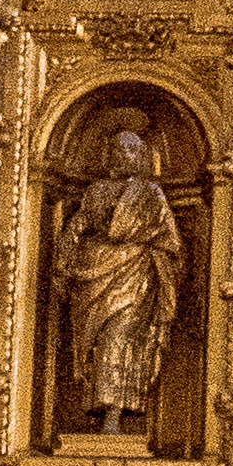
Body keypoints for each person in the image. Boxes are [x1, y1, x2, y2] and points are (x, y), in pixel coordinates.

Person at [55, 124, 188, 429]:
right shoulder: (97, 191)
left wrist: (156, 256)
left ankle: (113, 416)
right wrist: (65, 264)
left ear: (140, 156)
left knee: (121, 338)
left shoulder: (151, 193)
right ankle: (100, 411)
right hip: (94, 274)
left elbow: (171, 240)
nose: (126, 154)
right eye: (120, 148)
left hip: (135, 276)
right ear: (111, 154)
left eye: (133, 149)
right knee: (98, 343)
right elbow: (77, 227)